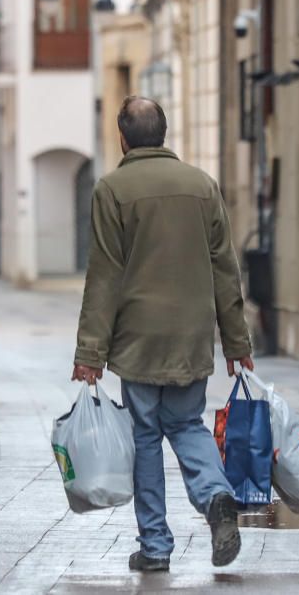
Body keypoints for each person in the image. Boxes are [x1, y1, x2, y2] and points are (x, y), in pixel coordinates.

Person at [72, 96, 255, 572]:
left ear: (123, 137)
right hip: (191, 334)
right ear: (164, 133)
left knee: (146, 437)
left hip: (137, 338)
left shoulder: (112, 189)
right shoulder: (202, 185)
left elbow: (105, 274)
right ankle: (217, 498)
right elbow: (224, 268)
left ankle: (155, 546)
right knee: (186, 424)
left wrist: (90, 350)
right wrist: (236, 341)